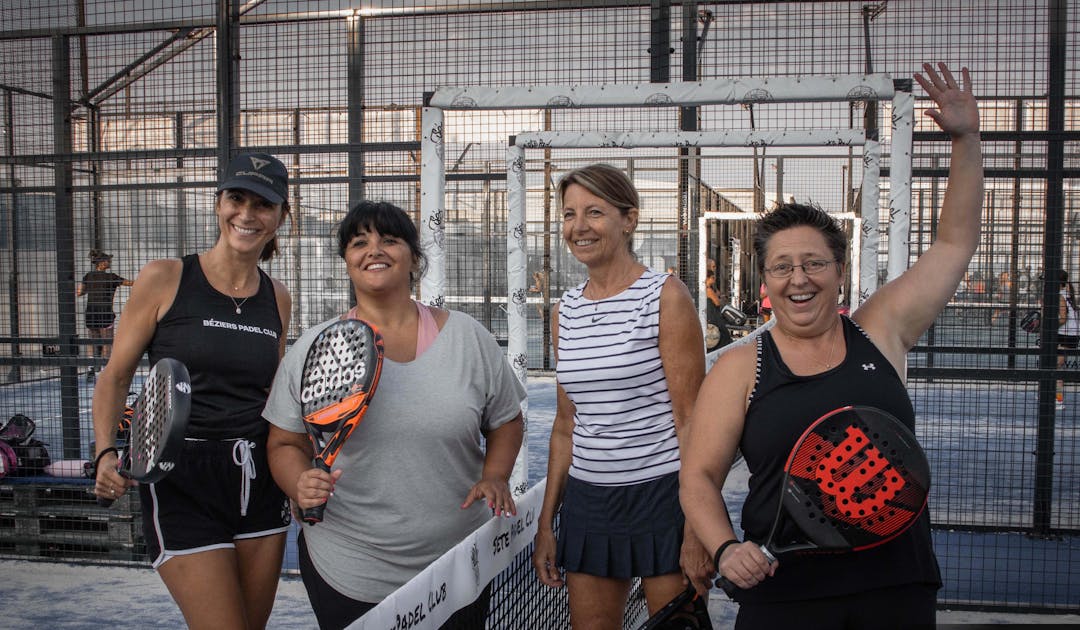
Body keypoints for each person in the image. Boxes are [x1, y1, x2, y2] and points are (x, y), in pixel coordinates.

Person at [680, 62, 982, 628]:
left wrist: (966, 140)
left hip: (896, 586)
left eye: (815, 263)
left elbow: (955, 241)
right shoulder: (742, 367)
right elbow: (698, 478)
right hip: (784, 598)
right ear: (765, 281)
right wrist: (725, 549)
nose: (800, 279)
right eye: (782, 267)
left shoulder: (882, 330)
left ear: (839, 272)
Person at [263, 200, 524, 630]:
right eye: (359, 242)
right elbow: (284, 442)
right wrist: (298, 481)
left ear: (414, 259)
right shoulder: (314, 348)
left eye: (389, 239)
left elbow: (506, 420)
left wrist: (495, 474)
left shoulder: (467, 338)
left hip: (457, 567)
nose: (374, 249)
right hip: (348, 570)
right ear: (346, 261)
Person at [91, 152, 294, 629]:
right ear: (218, 203)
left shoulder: (278, 297)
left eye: (263, 204)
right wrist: (104, 452)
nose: (247, 214)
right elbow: (115, 377)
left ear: (282, 216)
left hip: (258, 478)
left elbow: (273, 395)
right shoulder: (164, 278)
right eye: (236, 198)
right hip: (180, 479)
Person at [532, 163, 712, 628]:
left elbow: (692, 418)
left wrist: (697, 524)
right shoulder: (564, 312)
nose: (578, 227)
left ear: (628, 219)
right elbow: (565, 426)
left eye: (594, 212)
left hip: (663, 497)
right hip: (589, 503)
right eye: (569, 215)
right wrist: (547, 523)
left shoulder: (666, 297)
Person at [76, 249, 133, 377]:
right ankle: (104, 370)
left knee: (93, 341)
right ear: (101, 263)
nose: (110, 262)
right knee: (107, 341)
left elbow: (79, 292)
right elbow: (130, 283)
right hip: (105, 313)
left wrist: (91, 289)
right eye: (108, 260)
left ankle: (91, 367)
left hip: (91, 314)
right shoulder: (111, 277)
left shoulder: (88, 276)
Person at [1054, 269, 1080, 410]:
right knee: (1050, 363)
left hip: (1066, 334)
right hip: (1070, 333)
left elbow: (1063, 318)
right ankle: (1045, 393)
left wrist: (1048, 325)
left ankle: (1058, 400)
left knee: (1055, 366)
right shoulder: (1068, 294)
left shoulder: (1059, 296)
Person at [705, 268, 733, 350]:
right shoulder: (708, 290)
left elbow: (718, 294)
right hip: (713, 314)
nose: (714, 280)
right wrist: (721, 299)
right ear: (707, 278)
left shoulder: (709, 289)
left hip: (710, 314)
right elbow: (717, 302)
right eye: (712, 278)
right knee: (723, 332)